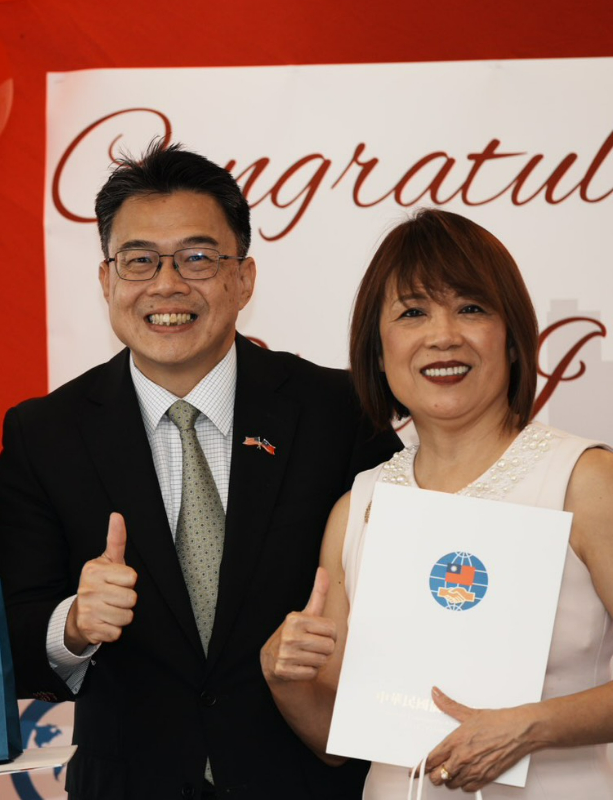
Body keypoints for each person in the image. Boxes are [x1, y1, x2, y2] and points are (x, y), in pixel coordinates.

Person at [0, 140, 401, 799]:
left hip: (306, 783)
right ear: (107, 281)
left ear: (244, 279)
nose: (167, 284)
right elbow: (11, 630)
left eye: (198, 258)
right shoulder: (46, 433)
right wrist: (74, 623)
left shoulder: (339, 411)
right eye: (139, 260)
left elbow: (396, 608)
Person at [261, 208, 613, 797]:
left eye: (471, 308)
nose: (443, 335)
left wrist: (532, 726)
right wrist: (285, 678)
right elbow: (334, 742)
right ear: (377, 351)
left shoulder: (585, 479)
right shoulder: (359, 508)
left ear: (513, 337)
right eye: (412, 312)